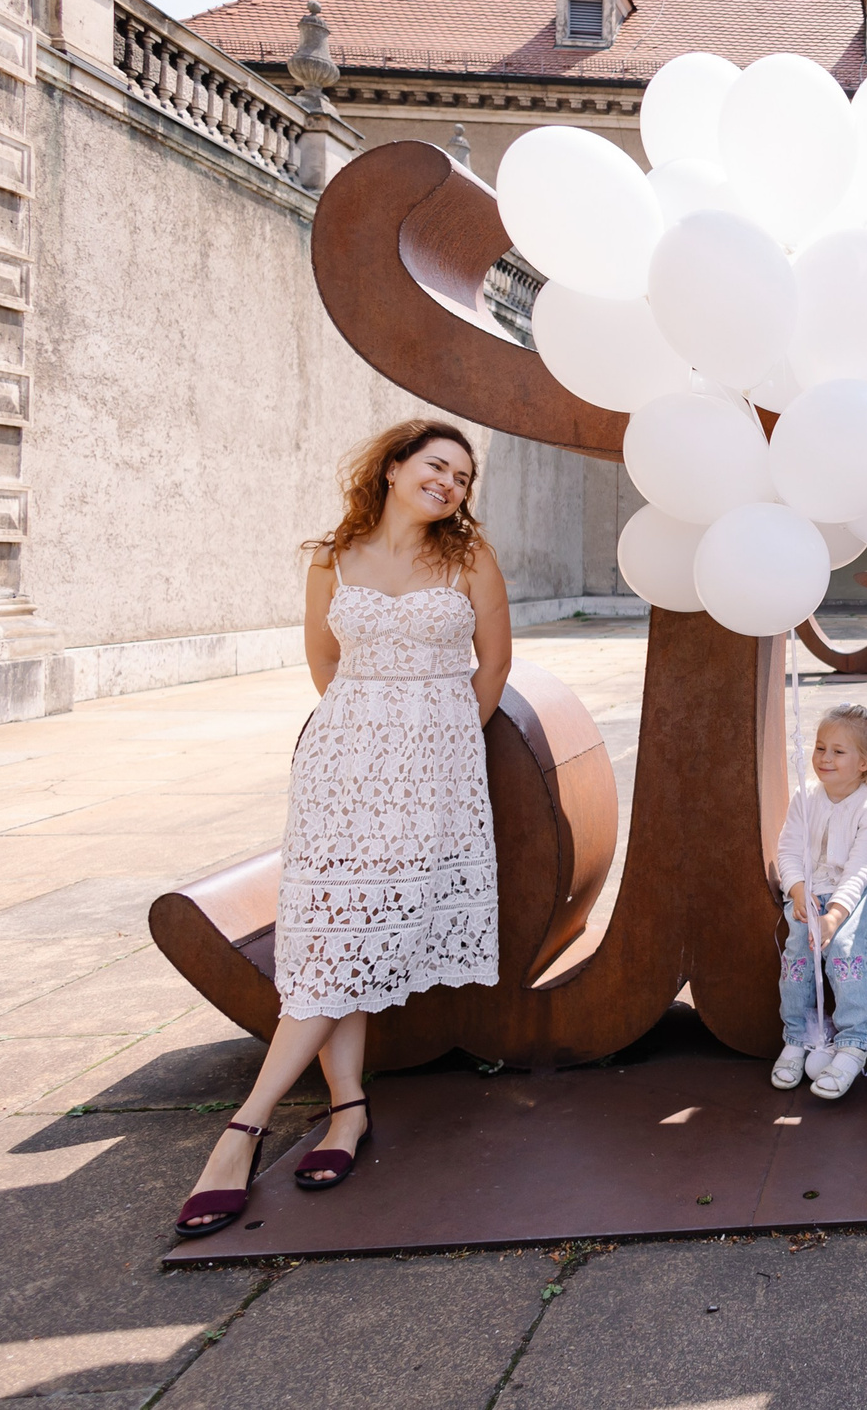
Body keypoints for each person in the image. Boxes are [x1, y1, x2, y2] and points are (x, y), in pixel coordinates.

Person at [173, 420, 512, 1237]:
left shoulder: (470, 558)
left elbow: (493, 664)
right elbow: (323, 663)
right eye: (437, 465)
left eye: (463, 477)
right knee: (332, 933)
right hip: (339, 768)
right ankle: (348, 1110)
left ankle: (242, 1130)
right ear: (394, 467)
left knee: (365, 928)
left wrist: (438, 746)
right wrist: (363, 731)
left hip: (432, 772)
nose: (451, 484)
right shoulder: (332, 556)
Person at [771, 703, 867, 1101]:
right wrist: (796, 891)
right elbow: (788, 849)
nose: (825, 758)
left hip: (853, 894)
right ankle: (797, 1036)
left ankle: (853, 1043)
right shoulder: (805, 796)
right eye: (821, 747)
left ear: (864, 762)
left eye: (838, 752)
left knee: (844, 952)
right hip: (809, 891)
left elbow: (859, 869)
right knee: (796, 955)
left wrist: (835, 916)